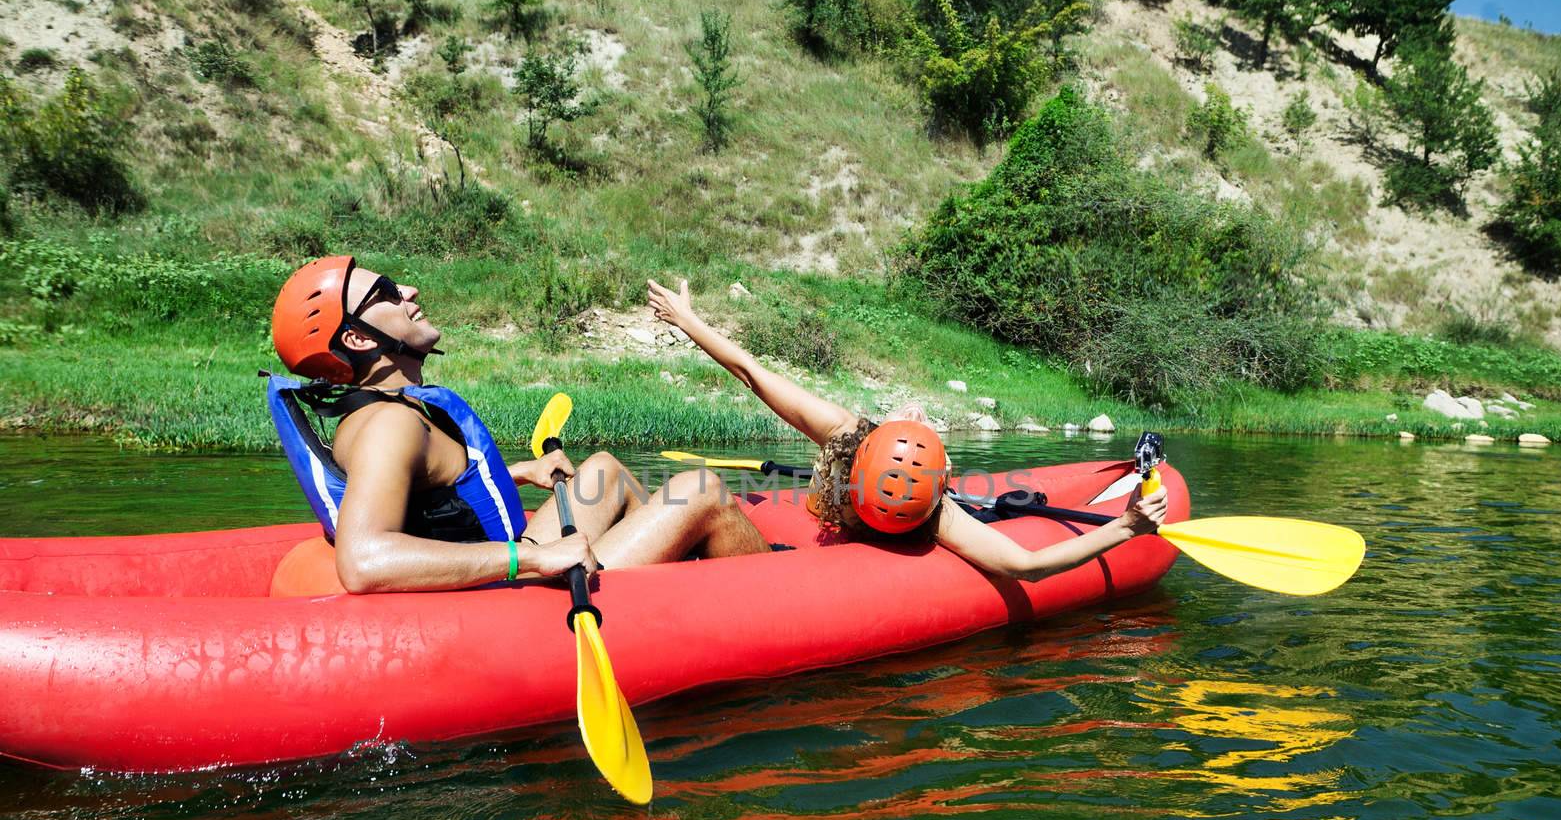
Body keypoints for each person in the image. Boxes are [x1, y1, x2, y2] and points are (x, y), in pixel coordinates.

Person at [266, 256, 767, 594]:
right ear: (356, 340)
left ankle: (668, 596)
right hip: (503, 594)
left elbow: (433, 496)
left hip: (501, 571)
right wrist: (530, 560)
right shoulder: (387, 426)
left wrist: (520, 471)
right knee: (700, 490)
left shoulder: (385, 408)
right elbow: (362, 562)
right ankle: (763, 595)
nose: (410, 291)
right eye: (388, 293)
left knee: (604, 470)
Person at [645, 277, 1168, 582]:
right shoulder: (935, 512)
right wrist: (1124, 528)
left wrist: (688, 321)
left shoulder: (848, 436)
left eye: (916, 423)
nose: (917, 414)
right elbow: (1025, 564)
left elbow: (754, 376)